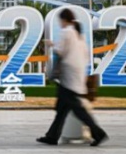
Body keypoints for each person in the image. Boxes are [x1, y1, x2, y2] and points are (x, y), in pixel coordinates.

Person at [37, 8, 108, 146]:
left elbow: (61, 51)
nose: (60, 23)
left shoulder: (67, 32)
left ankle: (98, 133)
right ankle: (52, 136)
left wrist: (51, 45)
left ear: (64, 19)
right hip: (76, 74)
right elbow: (84, 56)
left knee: (77, 109)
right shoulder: (79, 36)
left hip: (68, 76)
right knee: (62, 108)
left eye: (60, 20)